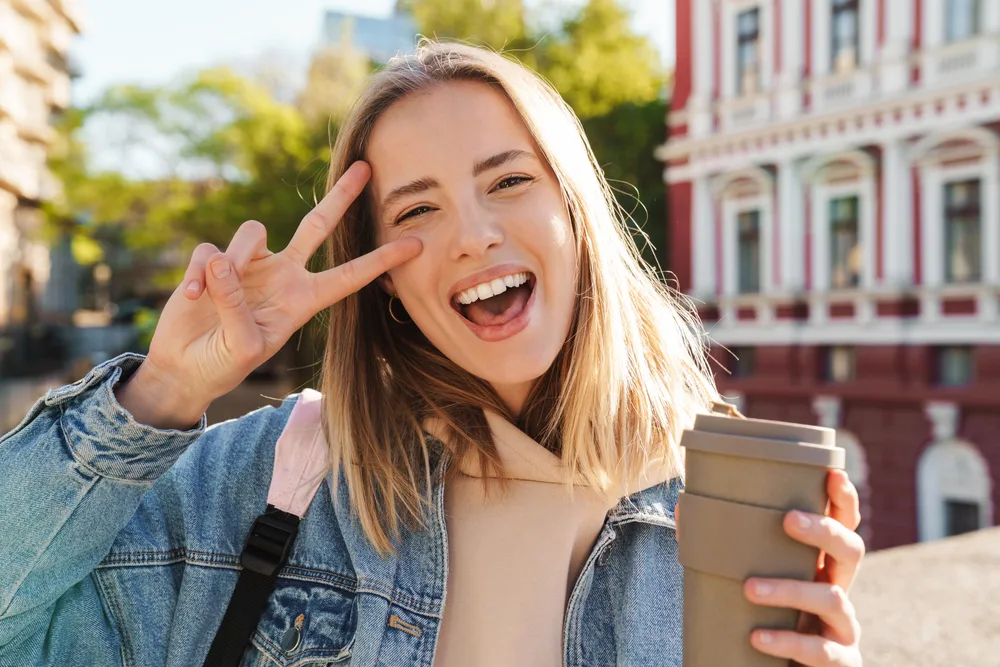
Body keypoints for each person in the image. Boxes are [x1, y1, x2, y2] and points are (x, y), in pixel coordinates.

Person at [0, 41, 865, 666]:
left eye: (509, 181)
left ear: (578, 214)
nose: (474, 236)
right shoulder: (273, 477)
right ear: (384, 283)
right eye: (417, 211)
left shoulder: (720, 501)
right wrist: (159, 395)